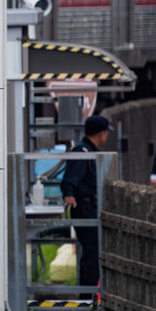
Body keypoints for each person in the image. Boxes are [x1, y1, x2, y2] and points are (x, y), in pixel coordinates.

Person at [60, 114, 113, 293]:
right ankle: (87, 295)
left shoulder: (88, 151)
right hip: (84, 208)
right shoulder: (83, 152)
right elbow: (69, 179)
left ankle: (89, 294)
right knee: (92, 252)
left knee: (93, 252)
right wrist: (68, 193)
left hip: (90, 207)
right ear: (101, 134)